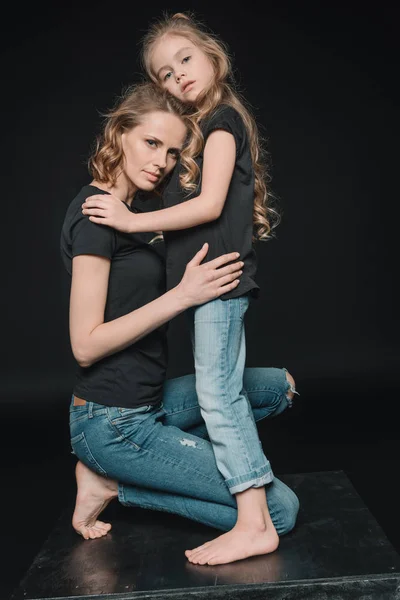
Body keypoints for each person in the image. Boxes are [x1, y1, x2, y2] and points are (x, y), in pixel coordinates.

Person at [81, 12, 299, 565]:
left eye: (184, 60)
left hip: (219, 284)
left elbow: (207, 206)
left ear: (212, 55)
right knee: (217, 392)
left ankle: (254, 522)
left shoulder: (224, 121)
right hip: (209, 287)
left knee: (219, 396)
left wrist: (128, 223)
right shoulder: (205, 130)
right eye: (164, 74)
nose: (177, 76)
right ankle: (231, 501)